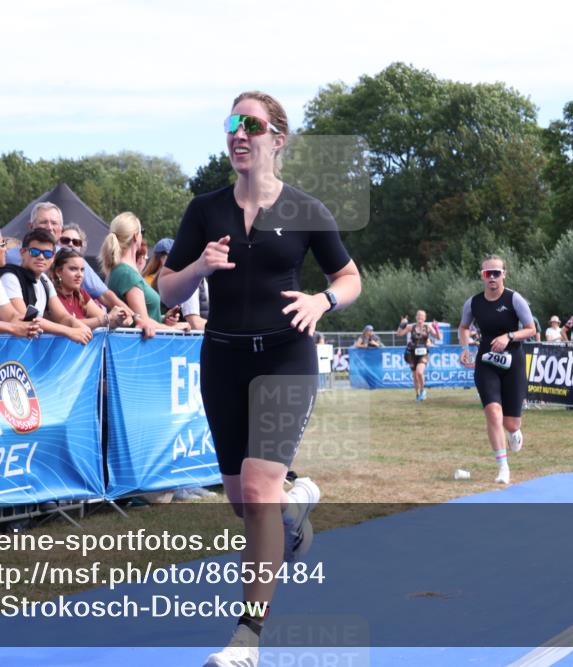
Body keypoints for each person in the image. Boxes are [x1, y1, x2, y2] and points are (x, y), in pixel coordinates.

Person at [157, 91, 361, 667]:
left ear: (278, 139)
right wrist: (200, 267)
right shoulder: (206, 209)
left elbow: (350, 278)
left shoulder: (307, 209)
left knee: (258, 487)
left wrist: (323, 300)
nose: (239, 133)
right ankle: (294, 514)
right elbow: (165, 291)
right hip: (222, 359)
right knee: (243, 502)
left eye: (252, 124)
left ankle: (248, 636)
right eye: (232, 123)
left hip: (284, 357)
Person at [458, 255, 536, 485]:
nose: (492, 277)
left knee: (511, 423)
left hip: (513, 361)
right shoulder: (473, 303)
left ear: (504, 274)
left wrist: (509, 336)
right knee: (493, 413)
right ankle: (503, 467)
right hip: (486, 362)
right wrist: (465, 348)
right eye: (487, 273)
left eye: (496, 273)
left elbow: (530, 329)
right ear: (482, 276)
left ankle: (514, 433)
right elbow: (463, 327)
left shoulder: (515, 299)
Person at [0, 229, 121, 343]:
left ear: (52, 258)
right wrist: (69, 331)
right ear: (23, 253)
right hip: (8, 351)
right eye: (35, 252)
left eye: (47, 254)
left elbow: (63, 317)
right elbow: (26, 320)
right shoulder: (10, 277)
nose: (41, 257)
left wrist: (80, 327)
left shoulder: (44, 281)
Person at [101, 213, 187, 333]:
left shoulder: (124, 271)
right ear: (136, 236)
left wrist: (163, 318)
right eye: (142, 231)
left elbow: (140, 318)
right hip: (139, 348)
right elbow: (143, 323)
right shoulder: (126, 273)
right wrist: (173, 328)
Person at [50, 248, 115, 330]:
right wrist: (106, 319)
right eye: (73, 269)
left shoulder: (81, 294)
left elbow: (107, 320)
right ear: (58, 272)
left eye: (82, 270)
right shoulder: (51, 295)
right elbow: (67, 324)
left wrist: (119, 317)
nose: (79, 274)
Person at [397, 310, 440, 401]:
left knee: (420, 372)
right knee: (415, 376)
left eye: (422, 316)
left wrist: (436, 328)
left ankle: (423, 390)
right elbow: (399, 334)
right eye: (419, 316)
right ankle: (417, 394)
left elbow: (438, 337)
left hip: (423, 353)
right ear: (416, 317)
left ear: (425, 318)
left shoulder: (428, 327)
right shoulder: (410, 327)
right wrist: (402, 325)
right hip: (411, 354)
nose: (420, 317)